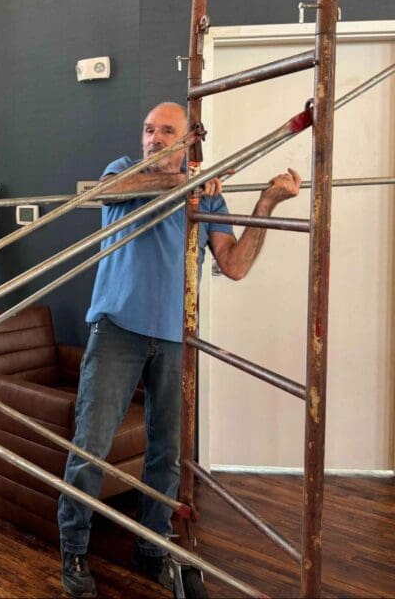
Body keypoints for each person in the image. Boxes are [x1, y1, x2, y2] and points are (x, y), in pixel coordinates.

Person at [57, 102, 300, 598]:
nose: (153, 139)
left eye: (167, 131)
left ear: (189, 140)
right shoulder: (123, 173)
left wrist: (266, 203)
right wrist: (186, 182)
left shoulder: (208, 193)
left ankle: (152, 547)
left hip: (175, 337)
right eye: (148, 130)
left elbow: (234, 265)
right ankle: (74, 549)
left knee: (167, 453)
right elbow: (114, 193)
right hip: (116, 329)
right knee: (90, 446)